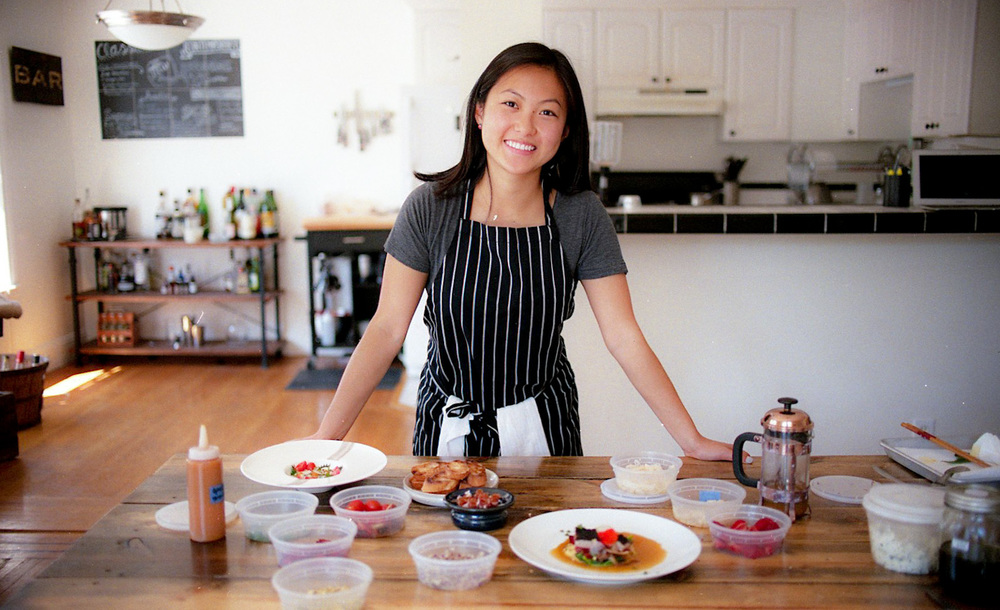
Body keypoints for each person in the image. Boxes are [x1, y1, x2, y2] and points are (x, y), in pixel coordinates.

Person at [307, 42, 732, 460]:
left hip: (545, 432)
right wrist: (326, 439)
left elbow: (624, 337)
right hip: (446, 432)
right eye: (510, 104)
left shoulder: (580, 215)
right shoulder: (430, 207)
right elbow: (386, 330)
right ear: (479, 112)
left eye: (547, 111)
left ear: (565, 130)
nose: (526, 126)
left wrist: (690, 440)